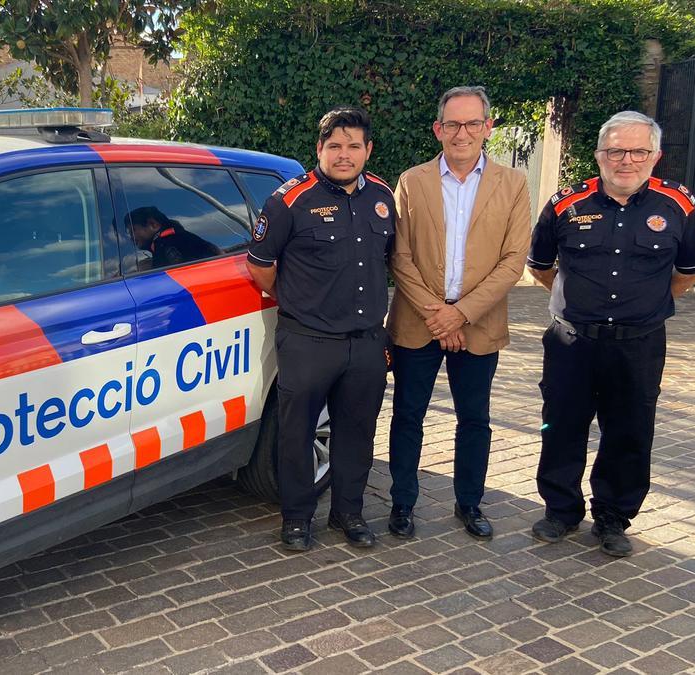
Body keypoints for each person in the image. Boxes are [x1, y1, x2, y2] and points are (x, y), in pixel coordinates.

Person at [526, 111, 695, 557]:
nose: (626, 160)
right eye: (615, 151)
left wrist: (643, 305)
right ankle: (561, 509)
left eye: (638, 151)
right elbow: (540, 266)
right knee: (562, 425)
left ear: (655, 156)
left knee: (629, 431)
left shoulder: (678, 205)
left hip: (639, 344)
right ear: (599, 155)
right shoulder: (566, 203)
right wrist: (577, 303)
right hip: (572, 341)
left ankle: (612, 517)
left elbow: (687, 274)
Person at [385, 86, 532, 541]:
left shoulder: (514, 185)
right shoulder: (412, 181)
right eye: (452, 124)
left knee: (475, 419)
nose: (462, 133)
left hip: (479, 323)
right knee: (408, 415)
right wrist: (437, 313)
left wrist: (462, 313)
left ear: (488, 128)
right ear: (438, 129)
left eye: (472, 123)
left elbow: (513, 260)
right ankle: (402, 503)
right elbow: (399, 255)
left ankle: (469, 502)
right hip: (418, 321)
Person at [246, 107, 394, 551]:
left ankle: (348, 513)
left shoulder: (383, 197)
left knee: (357, 433)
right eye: (334, 146)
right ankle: (296, 518)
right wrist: (301, 302)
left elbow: (391, 259)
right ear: (319, 149)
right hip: (308, 340)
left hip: (366, 343)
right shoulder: (289, 200)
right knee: (296, 434)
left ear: (368, 150)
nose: (343, 155)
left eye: (353, 146)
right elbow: (261, 268)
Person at [127, 206, 221, 268]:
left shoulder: (167, 244)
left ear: (153, 224)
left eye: (133, 231)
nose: (131, 237)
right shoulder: (184, 238)